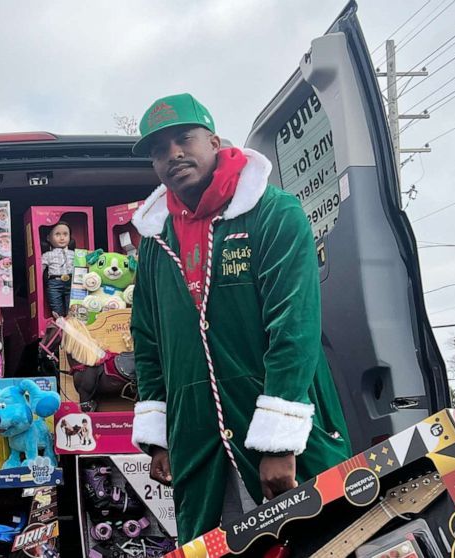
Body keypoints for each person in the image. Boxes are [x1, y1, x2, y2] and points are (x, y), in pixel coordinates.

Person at [128, 93, 351, 543]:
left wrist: (279, 442)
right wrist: (159, 436)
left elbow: (294, 328)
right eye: (158, 149)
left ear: (212, 140)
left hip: (281, 434)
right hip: (199, 444)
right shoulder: (154, 242)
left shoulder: (275, 213)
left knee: (320, 543)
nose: (172, 154)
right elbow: (148, 340)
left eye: (183, 139)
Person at [41, 221, 75, 317]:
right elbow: (40, 269)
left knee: (72, 308)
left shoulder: (74, 253)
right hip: (54, 284)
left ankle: (71, 326)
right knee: (56, 309)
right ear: (48, 238)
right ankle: (59, 326)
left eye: (65, 234)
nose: (62, 238)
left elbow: (82, 265)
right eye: (57, 234)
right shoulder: (47, 255)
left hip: (71, 282)